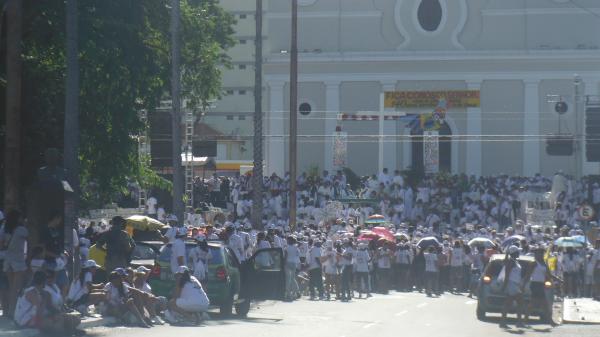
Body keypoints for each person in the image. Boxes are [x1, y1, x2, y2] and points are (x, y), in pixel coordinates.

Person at [523, 246, 560, 325]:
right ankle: (550, 321)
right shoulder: (533, 263)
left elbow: (549, 275)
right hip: (535, 284)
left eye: (541, 253)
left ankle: (525, 320)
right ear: (536, 254)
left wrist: (557, 279)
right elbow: (528, 275)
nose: (541, 255)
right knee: (539, 303)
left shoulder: (543, 263)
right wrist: (523, 285)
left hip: (541, 284)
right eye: (539, 253)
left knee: (538, 304)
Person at [3, 210, 28, 316]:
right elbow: (28, 236)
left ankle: (8, 310)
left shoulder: (5, 229)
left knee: (10, 286)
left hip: (7, 260)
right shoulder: (21, 229)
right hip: (18, 261)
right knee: (16, 288)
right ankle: (13, 311)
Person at [499, 245, 525, 328]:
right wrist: (504, 286)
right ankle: (518, 322)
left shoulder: (514, 261)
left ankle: (503, 322)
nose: (519, 253)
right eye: (518, 252)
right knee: (518, 302)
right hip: (512, 284)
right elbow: (507, 275)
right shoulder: (511, 262)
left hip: (514, 285)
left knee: (508, 304)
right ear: (514, 253)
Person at [284, 236, 301, 301]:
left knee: (288, 279)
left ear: (289, 241)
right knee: (293, 278)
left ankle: (288, 294)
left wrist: (284, 264)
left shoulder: (286, 248)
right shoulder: (296, 247)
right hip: (294, 264)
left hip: (288, 263)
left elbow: (285, 256)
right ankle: (297, 291)